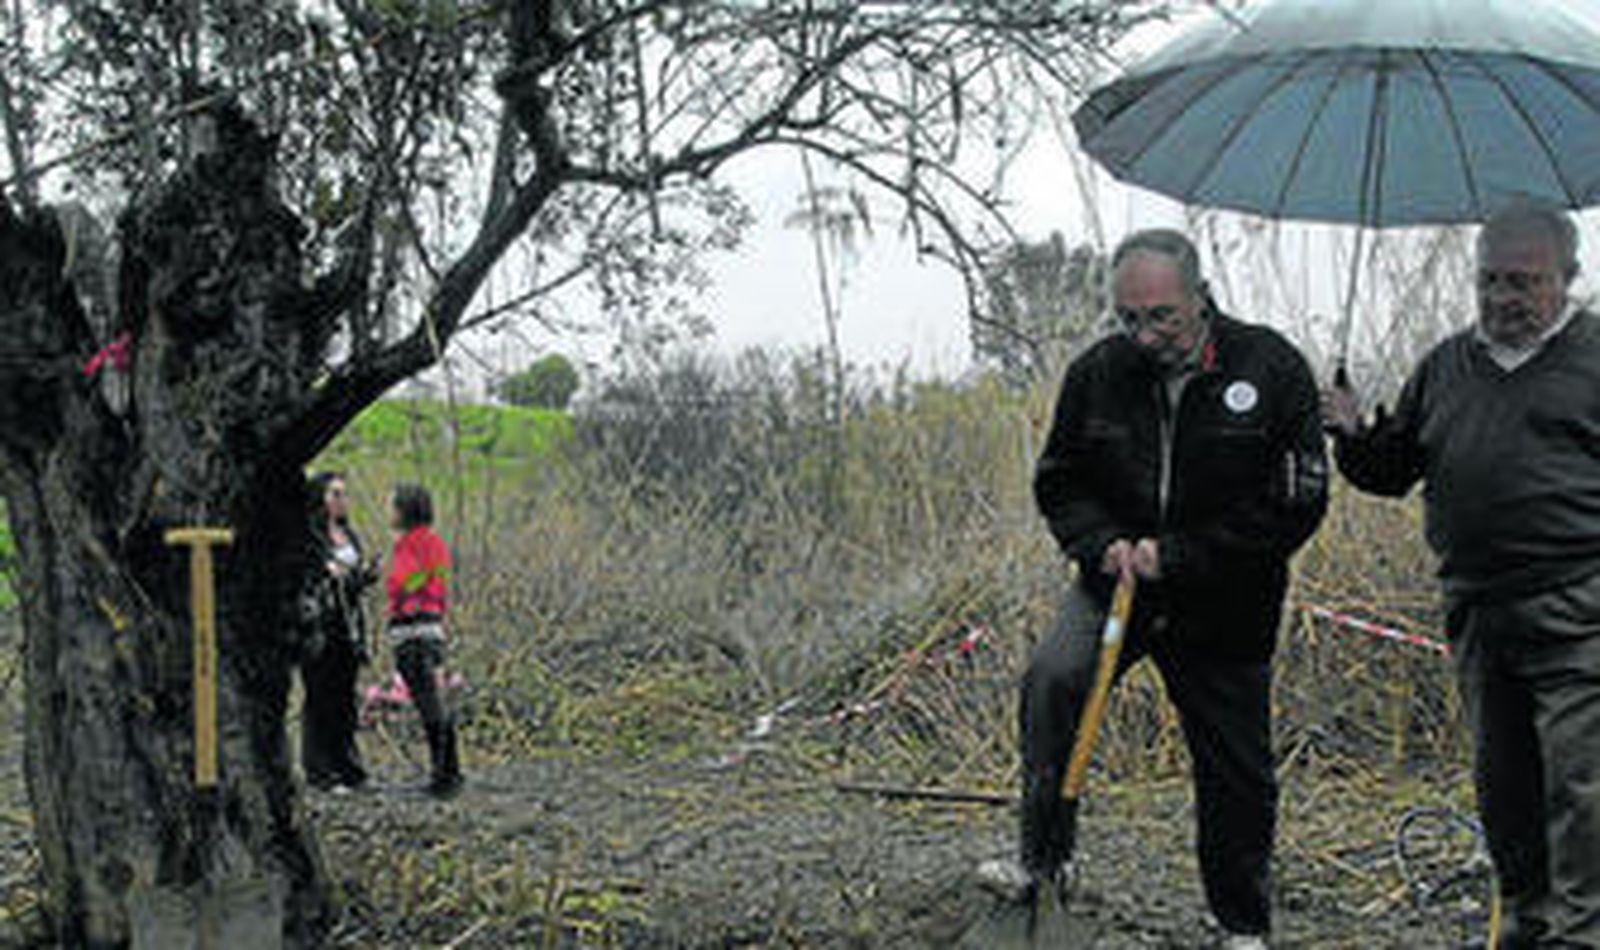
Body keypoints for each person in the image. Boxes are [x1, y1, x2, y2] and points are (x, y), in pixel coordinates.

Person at [979, 229, 1329, 948]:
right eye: (1128, 318)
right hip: (1115, 588)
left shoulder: (1270, 367)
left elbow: (1297, 503)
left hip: (1225, 600)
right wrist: (1100, 543)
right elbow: (1059, 479)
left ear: (1199, 298)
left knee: (1237, 765)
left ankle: (1240, 922)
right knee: (1053, 682)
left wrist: (1182, 556)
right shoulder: (1097, 373)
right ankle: (1043, 862)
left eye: (1160, 316)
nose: (1144, 335)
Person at [1325, 205, 1600, 948]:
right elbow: (1392, 470)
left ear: (1569, 279)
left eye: (1524, 282)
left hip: (1582, 608)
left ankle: (1581, 934)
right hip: (1478, 609)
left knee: (1580, 783)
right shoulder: (1445, 365)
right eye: (1490, 281)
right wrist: (1352, 434)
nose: (1504, 298)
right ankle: (1525, 919)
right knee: (1503, 783)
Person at [299, 471, 378, 792]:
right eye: (334, 494)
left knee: (346, 700)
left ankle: (349, 768)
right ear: (320, 499)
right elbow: (312, 581)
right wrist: (334, 576)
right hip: (320, 627)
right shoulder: (309, 540)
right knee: (320, 698)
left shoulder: (349, 535)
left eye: (344, 493)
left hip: (349, 627)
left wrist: (364, 576)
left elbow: (351, 585)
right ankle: (321, 772)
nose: (342, 500)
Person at [386, 483, 461, 799]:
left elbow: (404, 581)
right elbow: (441, 580)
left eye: (391, 505)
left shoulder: (407, 545)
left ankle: (441, 778)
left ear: (404, 510)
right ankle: (451, 770)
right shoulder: (437, 543)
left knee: (428, 704)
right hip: (434, 629)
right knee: (437, 700)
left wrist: (402, 588)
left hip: (411, 631)